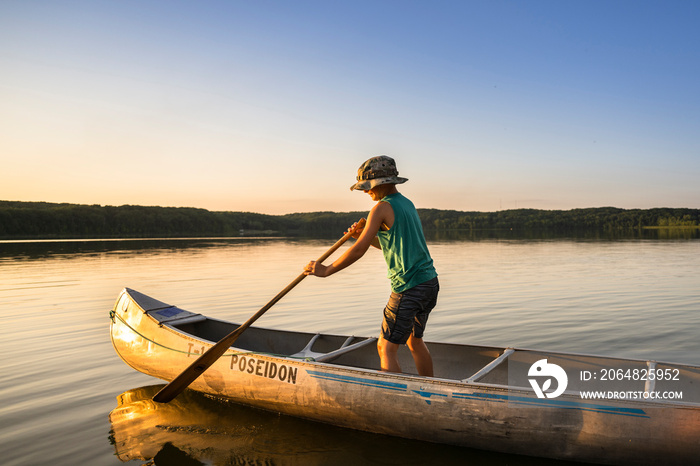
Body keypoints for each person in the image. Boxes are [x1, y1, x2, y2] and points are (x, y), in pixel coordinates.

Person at [303, 155, 439, 376]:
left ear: (382, 183)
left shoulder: (381, 208)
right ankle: (430, 393)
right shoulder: (406, 203)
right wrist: (360, 235)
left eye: (368, 187)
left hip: (408, 287)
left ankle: (393, 401)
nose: (366, 192)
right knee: (415, 342)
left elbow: (359, 251)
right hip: (428, 283)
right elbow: (391, 245)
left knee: (385, 347)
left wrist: (326, 270)